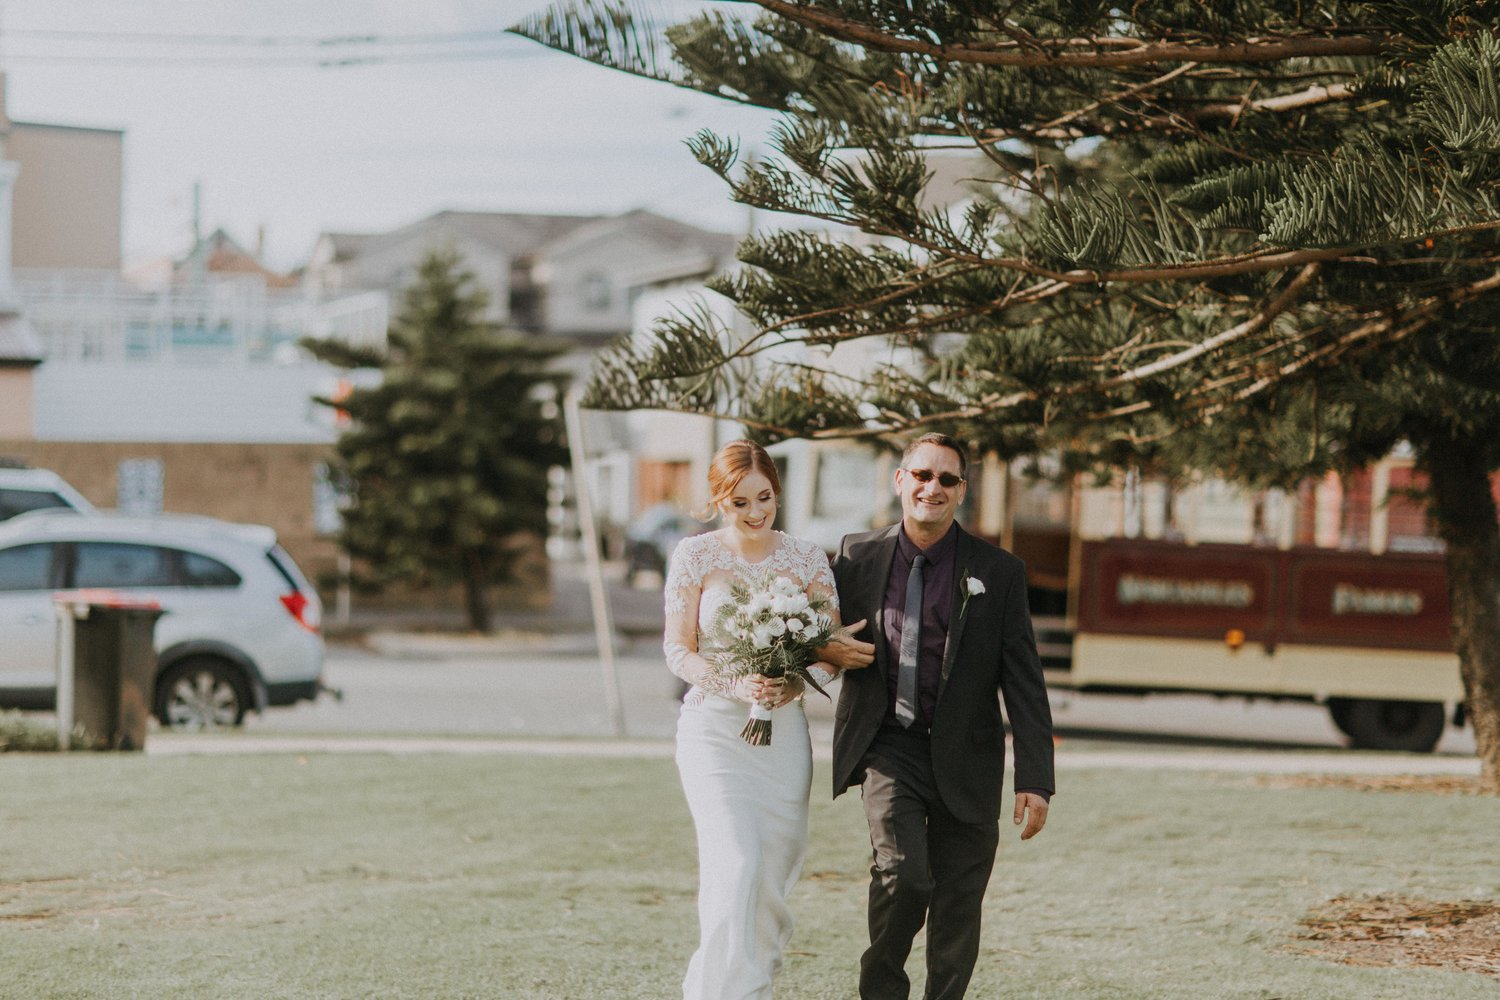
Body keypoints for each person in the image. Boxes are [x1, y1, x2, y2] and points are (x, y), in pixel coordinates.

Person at [820, 432, 1055, 1000]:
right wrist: (825, 651)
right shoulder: (854, 556)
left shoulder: (998, 571)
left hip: (968, 756)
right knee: (904, 876)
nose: (933, 488)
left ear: (962, 491)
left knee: (958, 905)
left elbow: (1023, 680)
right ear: (900, 480)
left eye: (947, 479)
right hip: (888, 748)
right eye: (922, 475)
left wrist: (1035, 778)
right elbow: (817, 635)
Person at [662, 439, 865, 1000]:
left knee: (772, 871)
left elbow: (830, 650)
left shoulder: (806, 558)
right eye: (739, 502)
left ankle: (753, 984)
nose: (755, 512)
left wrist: (795, 681)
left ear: (778, 493)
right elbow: (678, 650)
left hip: (783, 736)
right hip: (713, 731)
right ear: (717, 500)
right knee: (737, 862)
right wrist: (733, 683)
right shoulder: (695, 556)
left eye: (765, 498)